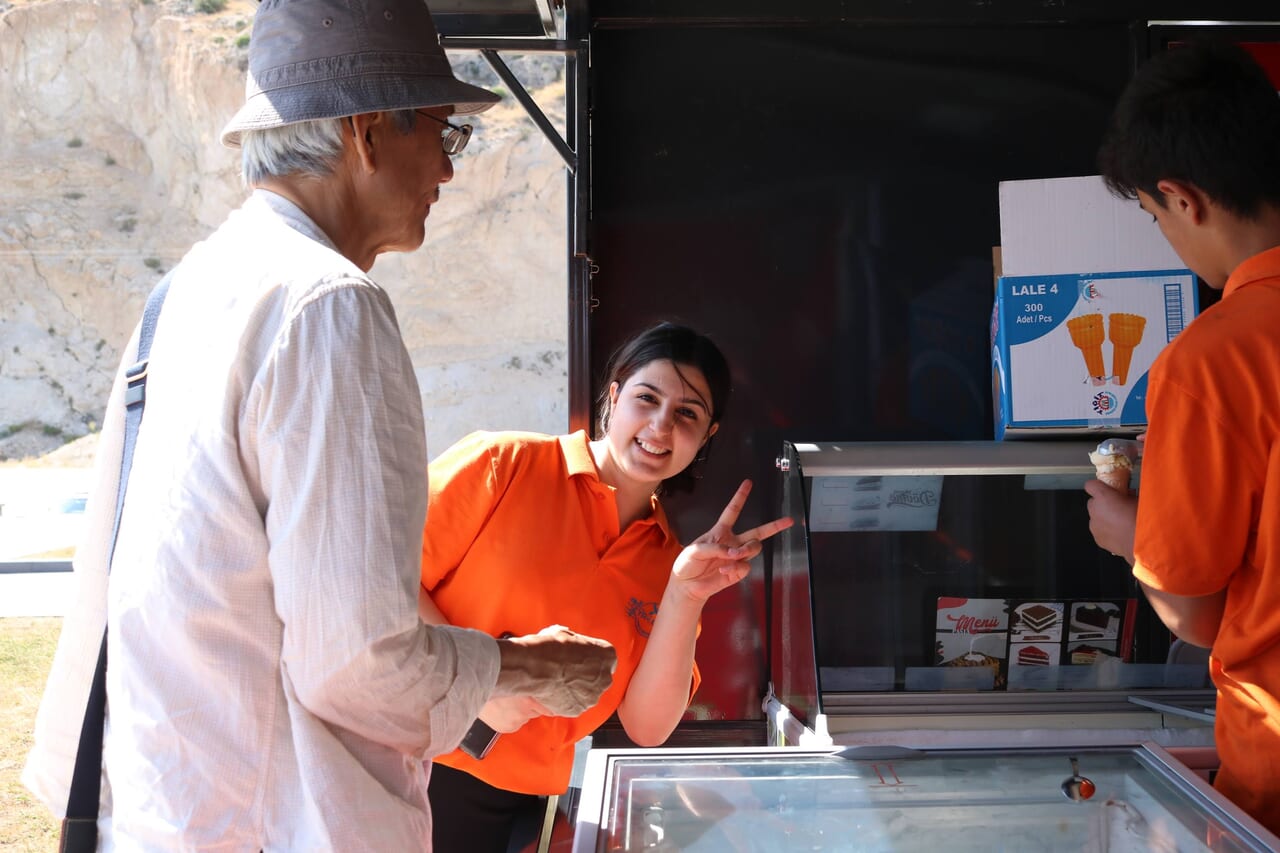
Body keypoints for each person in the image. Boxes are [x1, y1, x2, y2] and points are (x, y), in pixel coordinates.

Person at [22, 0, 618, 848]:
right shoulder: (329, 307)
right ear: (369, 133)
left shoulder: (185, 290)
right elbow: (357, 664)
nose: (448, 173)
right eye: (445, 135)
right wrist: (533, 667)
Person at [417, 322, 793, 852]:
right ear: (613, 397)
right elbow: (379, 585)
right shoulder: (505, 464)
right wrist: (478, 686)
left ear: (707, 435)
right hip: (418, 767)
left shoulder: (671, 561)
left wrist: (686, 595)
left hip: (538, 813)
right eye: (647, 398)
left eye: (687, 413)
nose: (660, 425)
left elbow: (646, 726)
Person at [1084, 40, 1280, 834]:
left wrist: (1129, 531)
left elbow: (1195, 614)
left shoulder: (1214, 357)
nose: (1165, 232)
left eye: (1153, 214)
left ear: (1182, 198)